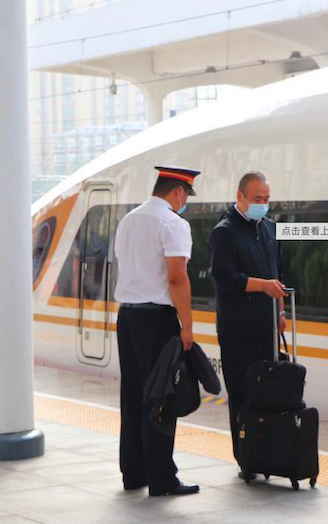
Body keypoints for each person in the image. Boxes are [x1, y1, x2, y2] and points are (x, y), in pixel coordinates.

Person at [113, 165, 201, 497]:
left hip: (128, 319)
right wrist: (187, 325)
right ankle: (163, 478)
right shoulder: (173, 224)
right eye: (186, 196)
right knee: (162, 396)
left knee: (133, 396)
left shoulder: (129, 220)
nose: (184, 203)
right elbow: (177, 277)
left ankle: (134, 473)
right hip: (157, 320)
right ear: (179, 192)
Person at [209, 171, 287, 480]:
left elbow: (276, 273)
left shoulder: (268, 228)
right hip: (237, 331)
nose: (263, 205)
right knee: (241, 396)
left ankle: (266, 453)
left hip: (265, 328)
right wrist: (263, 286)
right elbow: (225, 278)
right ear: (240, 196)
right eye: (257, 200)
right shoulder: (224, 232)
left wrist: (280, 312)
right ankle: (246, 459)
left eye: (267, 199)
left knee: (266, 394)